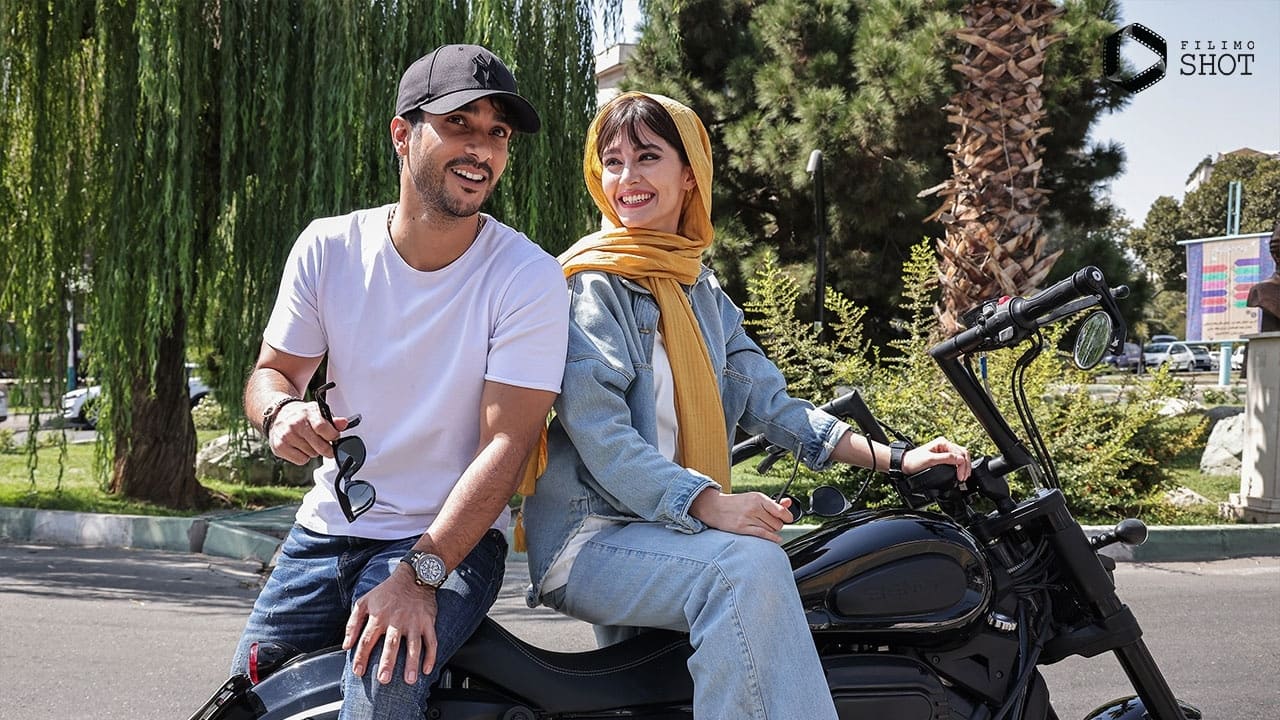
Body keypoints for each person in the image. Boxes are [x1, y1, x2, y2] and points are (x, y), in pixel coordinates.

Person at [520, 91, 973, 720]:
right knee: (745, 568)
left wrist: (897, 458)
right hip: (592, 537)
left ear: (690, 174)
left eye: (647, 157)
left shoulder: (700, 289)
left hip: (667, 530)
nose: (626, 178)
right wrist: (708, 502)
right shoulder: (593, 283)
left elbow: (774, 405)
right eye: (613, 161)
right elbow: (601, 434)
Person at [232, 44, 569, 719]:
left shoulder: (527, 276)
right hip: (323, 533)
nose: (481, 149)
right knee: (248, 700)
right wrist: (279, 414)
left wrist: (418, 576)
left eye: (498, 133)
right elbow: (273, 375)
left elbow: (506, 447)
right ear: (402, 134)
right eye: (459, 123)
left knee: (382, 684)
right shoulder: (328, 248)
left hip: (444, 541)